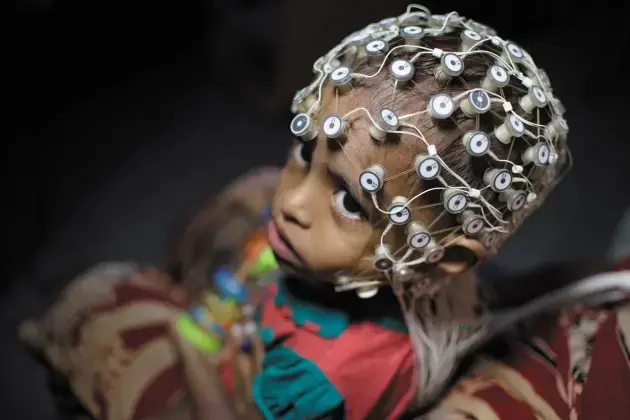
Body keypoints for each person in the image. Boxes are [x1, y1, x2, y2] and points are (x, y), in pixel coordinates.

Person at [20, 4, 630, 420]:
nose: (289, 204)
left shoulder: (326, 376)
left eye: (348, 198)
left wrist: (194, 355)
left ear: (441, 259)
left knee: (97, 294)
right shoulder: (418, 263)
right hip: (283, 306)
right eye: (305, 147)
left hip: (238, 371)